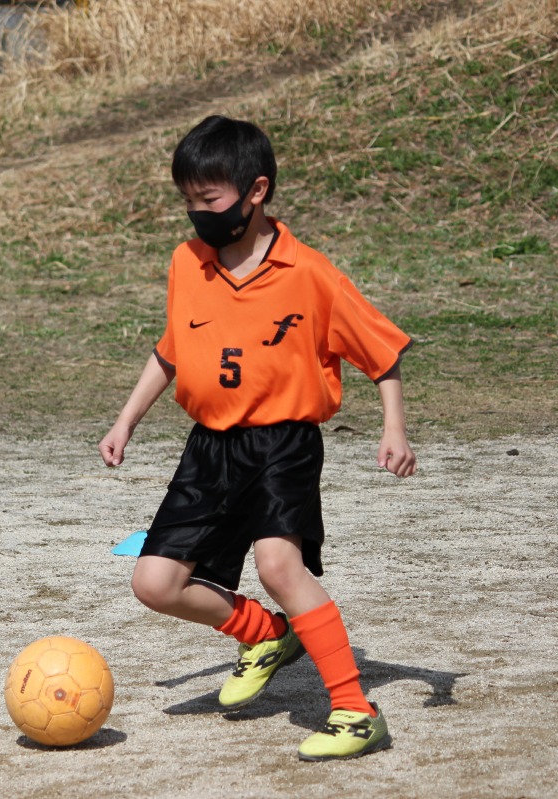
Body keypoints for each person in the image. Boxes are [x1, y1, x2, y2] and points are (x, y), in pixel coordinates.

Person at [98, 115, 417, 762]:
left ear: (256, 191)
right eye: (188, 200)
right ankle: (266, 634)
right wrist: (126, 419)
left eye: (209, 199)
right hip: (209, 449)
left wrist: (394, 428)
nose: (198, 213)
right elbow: (172, 350)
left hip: (281, 445)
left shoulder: (310, 273)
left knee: (279, 567)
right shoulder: (187, 263)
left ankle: (356, 711)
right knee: (155, 582)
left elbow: (381, 352)